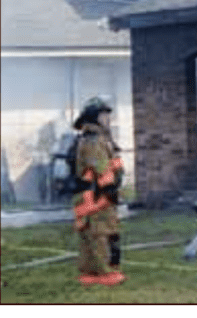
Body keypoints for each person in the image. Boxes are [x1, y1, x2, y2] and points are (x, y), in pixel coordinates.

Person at [71, 97, 126, 286]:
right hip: (95, 196)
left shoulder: (97, 139)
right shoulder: (94, 141)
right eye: (104, 115)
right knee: (101, 233)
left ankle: (92, 272)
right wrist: (110, 191)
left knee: (94, 233)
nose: (108, 119)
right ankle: (104, 273)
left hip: (91, 195)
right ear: (94, 117)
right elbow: (101, 169)